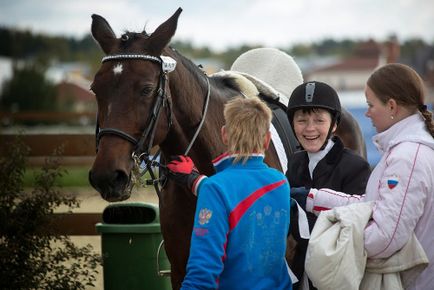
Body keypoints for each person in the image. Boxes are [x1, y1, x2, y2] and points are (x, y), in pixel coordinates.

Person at [296, 63, 434, 290]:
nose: (367, 112)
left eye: (371, 105)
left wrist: (330, 242)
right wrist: (312, 198)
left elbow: (384, 239)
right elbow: (371, 206)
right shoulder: (407, 151)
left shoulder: (407, 158)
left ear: (391, 106)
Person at [167, 97, 293, 289]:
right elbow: (243, 194)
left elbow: (203, 269)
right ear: (267, 140)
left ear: (224, 135)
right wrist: (195, 181)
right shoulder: (280, 182)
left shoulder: (216, 188)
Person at [286, 81, 371, 289]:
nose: (310, 128)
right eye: (302, 120)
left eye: (318, 120)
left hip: (337, 272)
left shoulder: (355, 167)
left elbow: (355, 227)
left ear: (334, 124)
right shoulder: (295, 162)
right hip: (301, 272)